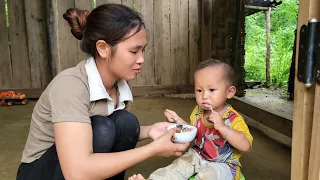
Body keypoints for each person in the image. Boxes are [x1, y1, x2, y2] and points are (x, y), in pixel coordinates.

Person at [16, 4, 189, 180]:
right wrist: (153, 149)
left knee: (126, 123)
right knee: (101, 128)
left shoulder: (120, 83)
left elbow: (118, 132)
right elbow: (76, 172)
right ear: (103, 48)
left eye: (142, 50)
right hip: (39, 173)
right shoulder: (70, 86)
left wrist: (150, 131)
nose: (141, 59)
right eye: (133, 51)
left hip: (73, 165)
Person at [129, 59, 253, 180]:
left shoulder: (233, 118)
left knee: (209, 176)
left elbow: (245, 145)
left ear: (229, 92)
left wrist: (223, 127)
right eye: (199, 90)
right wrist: (178, 121)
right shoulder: (198, 111)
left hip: (223, 165)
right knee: (176, 167)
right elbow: (194, 131)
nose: (204, 96)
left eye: (211, 90)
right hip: (197, 156)